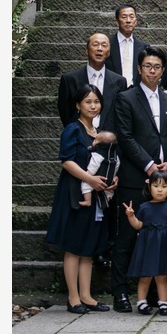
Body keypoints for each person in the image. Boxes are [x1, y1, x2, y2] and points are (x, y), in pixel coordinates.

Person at [110, 46, 167, 312]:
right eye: (148, 66)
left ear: (163, 71)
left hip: (162, 181)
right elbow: (125, 137)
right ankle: (120, 293)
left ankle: (153, 297)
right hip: (134, 177)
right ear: (139, 69)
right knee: (127, 236)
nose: (152, 71)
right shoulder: (126, 98)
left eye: (157, 67)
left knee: (156, 237)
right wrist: (149, 165)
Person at [45, 86, 119, 314]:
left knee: (88, 246)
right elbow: (66, 161)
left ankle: (87, 296)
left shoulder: (99, 131)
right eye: (88, 101)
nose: (93, 105)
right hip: (74, 192)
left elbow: (108, 159)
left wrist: (112, 179)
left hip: (96, 194)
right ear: (78, 105)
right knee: (74, 247)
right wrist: (90, 179)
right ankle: (73, 297)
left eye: (96, 101)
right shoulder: (72, 129)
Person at [123, 170, 167, 316]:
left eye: (164, 186)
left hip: (164, 244)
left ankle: (163, 303)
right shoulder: (144, 207)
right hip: (148, 244)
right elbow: (138, 225)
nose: (160, 189)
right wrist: (130, 216)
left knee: (162, 276)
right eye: (156, 186)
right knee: (145, 275)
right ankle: (142, 302)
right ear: (149, 187)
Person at [58, 32, 127, 129]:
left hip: (109, 140)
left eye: (104, 45)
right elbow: (65, 112)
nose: (99, 49)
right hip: (79, 139)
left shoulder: (120, 81)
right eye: (95, 44)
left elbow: (121, 114)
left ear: (109, 52)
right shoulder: (69, 79)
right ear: (86, 50)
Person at [107, 4, 149, 88]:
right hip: (113, 91)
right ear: (117, 22)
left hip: (136, 93)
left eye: (131, 17)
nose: (128, 20)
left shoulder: (144, 47)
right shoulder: (107, 44)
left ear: (135, 21)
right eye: (124, 17)